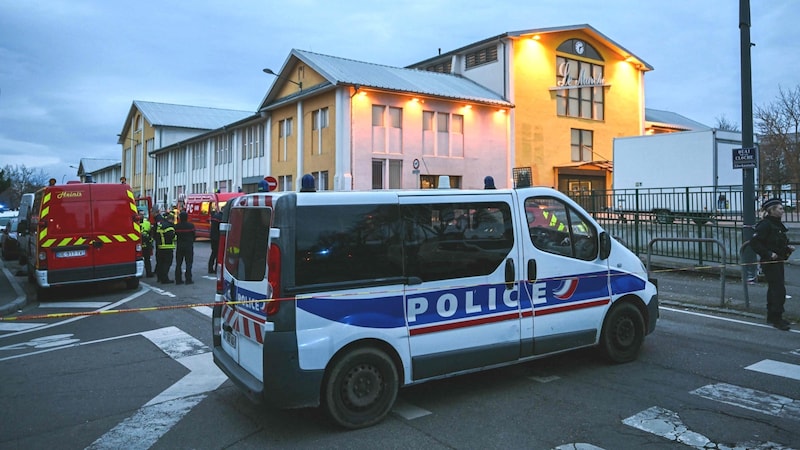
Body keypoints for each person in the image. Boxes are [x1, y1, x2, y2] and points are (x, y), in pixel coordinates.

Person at [749, 197, 796, 330]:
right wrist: (768, 254)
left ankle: (773, 316)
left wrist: (787, 249)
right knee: (778, 290)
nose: (782, 211)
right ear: (772, 210)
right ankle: (776, 318)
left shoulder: (776, 224)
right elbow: (755, 243)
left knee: (775, 289)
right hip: (770, 262)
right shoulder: (765, 225)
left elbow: (777, 242)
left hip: (778, 260)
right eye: (780, 208)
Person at [174, 211, 195, 284]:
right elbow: (194, 236)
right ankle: (188, 279)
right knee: (188, 263)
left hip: (180, 246)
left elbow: (175, 235)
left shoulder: (177, 226)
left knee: (179, 263)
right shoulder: (191, 226)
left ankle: (178, 279)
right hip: (188, 246)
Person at [154, 211, 176, 284]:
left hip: (160, 247)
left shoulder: (160, 225)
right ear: (171, 219)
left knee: (160, 263)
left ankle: (159, 278)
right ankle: (165, 279)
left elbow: (155, 234)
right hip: (167, 247)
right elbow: (172, 237)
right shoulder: (170, 227)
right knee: (167, 264)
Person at [208, 208, 223, 274]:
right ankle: (216, 269)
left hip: (213, 237)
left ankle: (210, 268)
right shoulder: (221, 218)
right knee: (218, 254)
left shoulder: (215, 216)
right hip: (218, 238)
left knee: (213, 253)